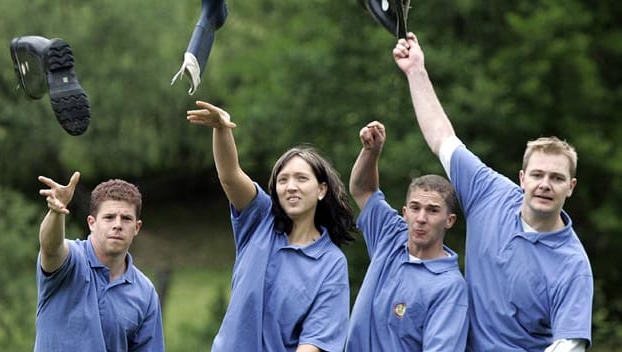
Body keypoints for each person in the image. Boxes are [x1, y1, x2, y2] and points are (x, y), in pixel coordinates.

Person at [393, 32, 593, 351]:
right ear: (522, 178)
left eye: (556, 178)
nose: (544, 184)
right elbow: (442, 138)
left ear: (570, 187)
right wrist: (416, 70)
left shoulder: (573, 265)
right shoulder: (490, 192)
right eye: (538, 174)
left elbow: (570, 345)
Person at [187, 101, 359, 352]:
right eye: (283, 180)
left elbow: (314, 342)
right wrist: (222, 130)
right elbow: (230, 176)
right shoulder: (259, 219)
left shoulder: (331, 263)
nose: (291, 186)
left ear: (322, 189)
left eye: (301, 178)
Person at [346, 120, 469, 351]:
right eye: (415, 208)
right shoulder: (390, 236)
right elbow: (363, 189)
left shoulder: (450, 287)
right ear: (405, 213)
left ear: (449, 220)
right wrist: (371, 152)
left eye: (432, 210)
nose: (421, 218)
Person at [35, 172, 165, 351]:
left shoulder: (145, 293)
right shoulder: (70, 261)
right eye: (109, 217)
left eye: (126, 218)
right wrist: (56, 212)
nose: (117, 225)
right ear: (91, 223)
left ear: (137, 227)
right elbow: (50, 248)